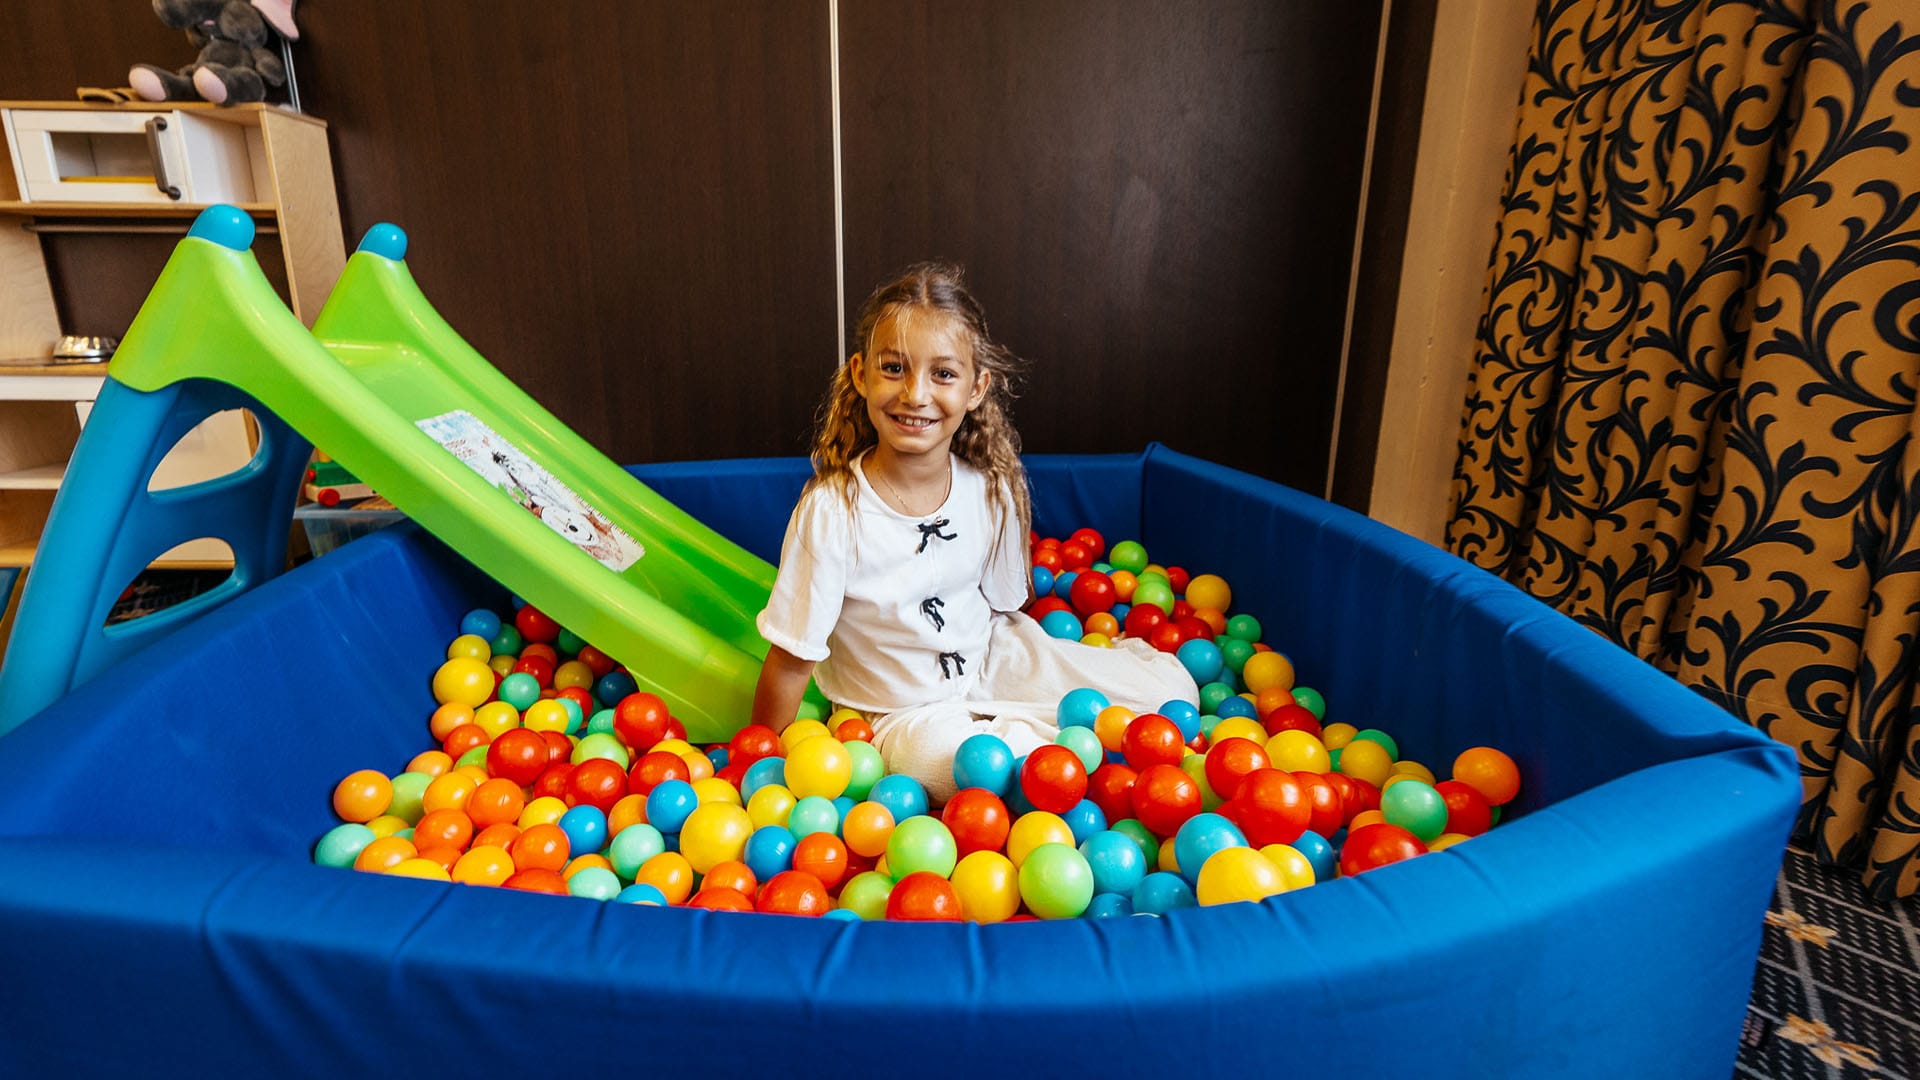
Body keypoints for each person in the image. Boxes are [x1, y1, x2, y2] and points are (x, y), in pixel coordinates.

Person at [751, 262, 1198, 803]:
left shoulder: (989, 487)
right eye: (894, 368)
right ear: (861, 374)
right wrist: (760, 762)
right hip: (896, 711)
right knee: (961, 769)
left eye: (943, 374)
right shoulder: (832, 510)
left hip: (992, 660)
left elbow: (1007, 605)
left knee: (1175, 693)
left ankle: (1041, 726)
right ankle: (1038, 749)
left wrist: (1044, 667)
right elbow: (792, 657)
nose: (915, 394)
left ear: (976, 387)